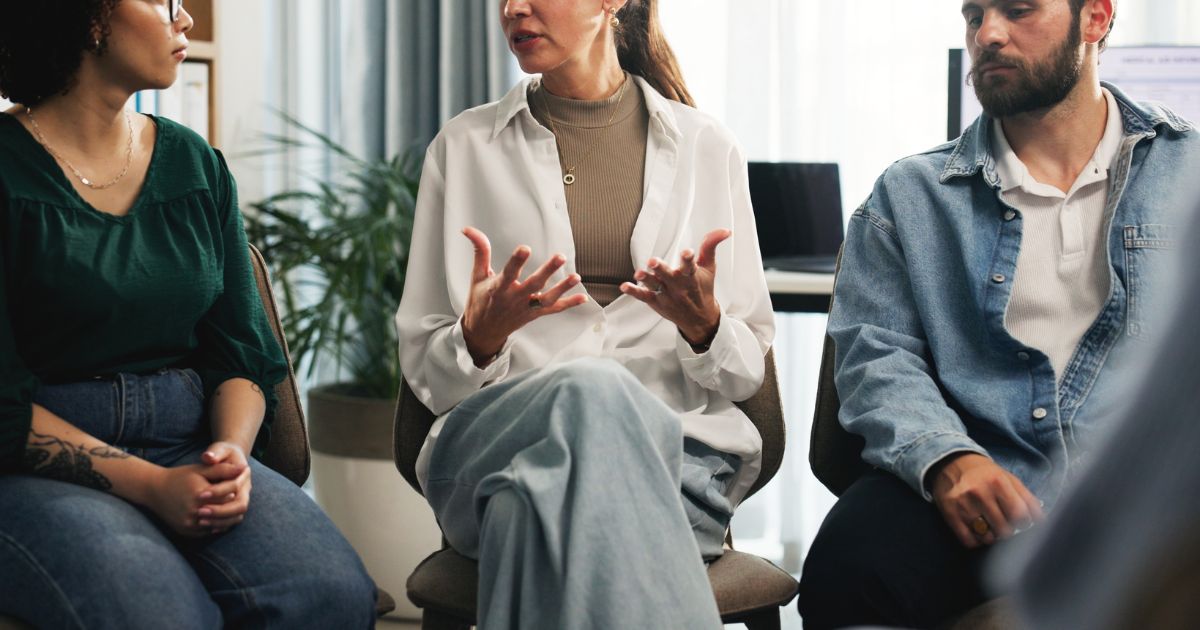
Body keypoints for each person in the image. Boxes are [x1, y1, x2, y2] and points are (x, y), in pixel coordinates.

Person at [797, 0, 1200, 627]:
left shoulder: (1190, 173)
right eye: (974, 13)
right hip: (978, 488)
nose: (987, 33)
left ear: (1095, 19)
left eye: (1016, 10)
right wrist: (947, 459)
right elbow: (876, 353)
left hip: (1141, 496)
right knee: (849, 563)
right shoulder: (910, 194)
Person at [395, 0, 774, 627]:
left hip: (673, 465)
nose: (512, 8)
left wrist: (705, 329)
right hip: (495, 446)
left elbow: (743, 379)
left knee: (528, 512)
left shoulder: (707, 147)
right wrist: (477, 341)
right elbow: (430, 380)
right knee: (592, 387)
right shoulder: (462, 147)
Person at [0, 1, 376, 627]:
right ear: (92, 17)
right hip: (35, 462)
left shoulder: (196, 163)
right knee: (162, 615)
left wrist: (228, 454)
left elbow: (242, 354)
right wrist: (153, 486)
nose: (186, 21)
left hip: (190, 441)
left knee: (333, 595)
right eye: (163, 1)